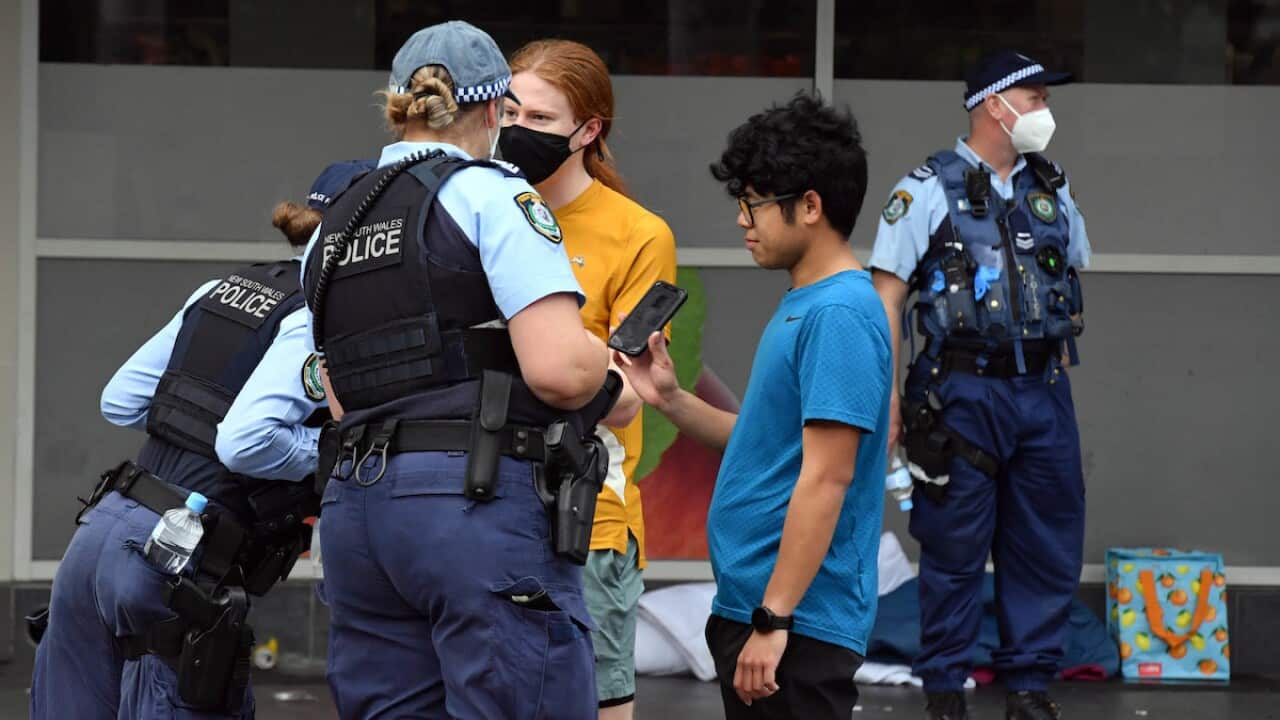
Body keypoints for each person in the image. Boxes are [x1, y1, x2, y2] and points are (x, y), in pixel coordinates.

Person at [302, 21, 617, 720]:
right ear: (495, 110)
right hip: (471, 504)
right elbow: (561, 373)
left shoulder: (334, 222)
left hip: (359, 515)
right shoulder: (491, 194)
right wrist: (604, 356)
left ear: (395, 106)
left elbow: (336, 393)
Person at [29, 158, 373, 719]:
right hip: (177, 560)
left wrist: (193, 436)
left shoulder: (225, 288)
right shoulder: (318, 313)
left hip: (101, 533)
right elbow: (245, 441)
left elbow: (119, 400)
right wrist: (330, 457)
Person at [616, 92, 891, 720]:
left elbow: (828, 477)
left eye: (755, 203)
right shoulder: (809, 303)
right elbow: (771, 444)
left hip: (797, 624)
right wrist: (670, 398)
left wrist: (775, 618)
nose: (743, 219)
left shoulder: (838, 314)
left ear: (811, 206)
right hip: (764, 611)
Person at [869, 50, 1091, 720]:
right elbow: (886, 297)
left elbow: (1070, 266)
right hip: (960, 393)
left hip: (1044, 389)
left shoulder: (1051, 185)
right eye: (1035, 96)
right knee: (954, 547)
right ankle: (944, 690)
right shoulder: (925, 189)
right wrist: (889, 406)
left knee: (1046, 542)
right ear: (995, 104)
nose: (1044, 109)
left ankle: (1029, 686)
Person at [502, 38, 678, 719]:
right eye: (510, 112)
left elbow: (627, 396)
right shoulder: (482, 208)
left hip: (586, 519)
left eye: (541, 120)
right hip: (475, 503)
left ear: (589, 130)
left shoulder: (636, 233)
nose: (519, 131)